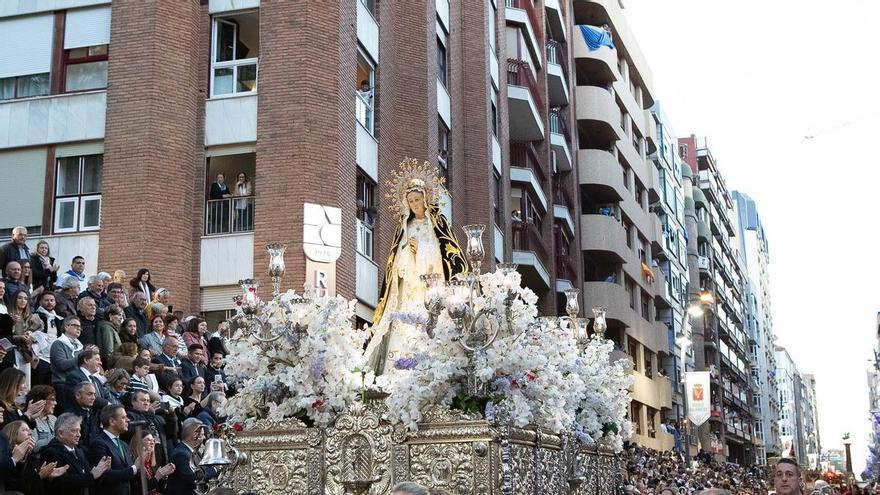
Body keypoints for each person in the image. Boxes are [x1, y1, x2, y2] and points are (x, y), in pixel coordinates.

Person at [365, 166, 468, 374]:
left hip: (432, 287)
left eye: (417, 200)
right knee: (404, 325)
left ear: (425, 198)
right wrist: (408, 251)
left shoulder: (437, 222)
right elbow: (395, 261)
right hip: (410, 286)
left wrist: (421, 250)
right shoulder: (404, 226)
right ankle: (396, 373)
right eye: (411, 201)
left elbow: (446, 254)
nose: (414, 205)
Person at [40, 412, 113, 494]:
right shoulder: (51, 452)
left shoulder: (79, 451)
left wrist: (101, 471)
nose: (79, 435)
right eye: (74, 431)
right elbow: (63, 483)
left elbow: (90, 479)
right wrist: (92, 476)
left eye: (79, 431)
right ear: (60, 433)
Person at [89, 404, 139, 495]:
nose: (128, 420)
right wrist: (134, 468)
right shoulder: (98, 443)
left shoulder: (123, 444)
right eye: (123, 417)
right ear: (112, 421)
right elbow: (104, 475)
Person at [165, 418, 216, 495]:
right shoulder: (181, 455)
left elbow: (204, 468)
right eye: (202, 435)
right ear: (194, 435)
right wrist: (214, 470)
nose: (204, 437)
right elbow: (194, 479)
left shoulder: (194, 451)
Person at [129, 428, 175, 495]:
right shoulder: (132, 462)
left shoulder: (152, 462)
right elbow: (136, 491)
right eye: (148, 440)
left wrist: (163, 476)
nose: (152, 442)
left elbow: (159, 489)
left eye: (153, 440)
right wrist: (156, 477)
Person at [50, 316, 87, 390]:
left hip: (78, 384)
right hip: (63, 383)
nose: (79, 328)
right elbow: (61, 365)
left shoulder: (80, 346)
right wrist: (81, 357)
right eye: (76, 326)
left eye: (80, 327)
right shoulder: (58, 343)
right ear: (66, 327)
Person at [26, 385, 58, 451]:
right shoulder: (31, 421)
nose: (55, 403)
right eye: (52, 399)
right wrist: (57, 439)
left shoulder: (54, 419)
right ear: (40, 401)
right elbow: (34, 447)